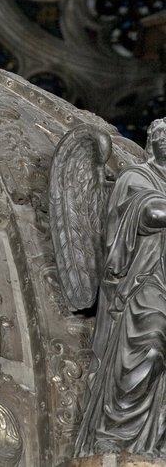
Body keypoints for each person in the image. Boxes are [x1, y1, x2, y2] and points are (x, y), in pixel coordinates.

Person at [75, 116, 166, 454]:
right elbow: (151, 213)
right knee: (150, 345)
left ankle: (154, 441)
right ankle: (115, 432)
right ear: (151, 142)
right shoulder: (136, 176)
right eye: (161, 134)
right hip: (144, 281)